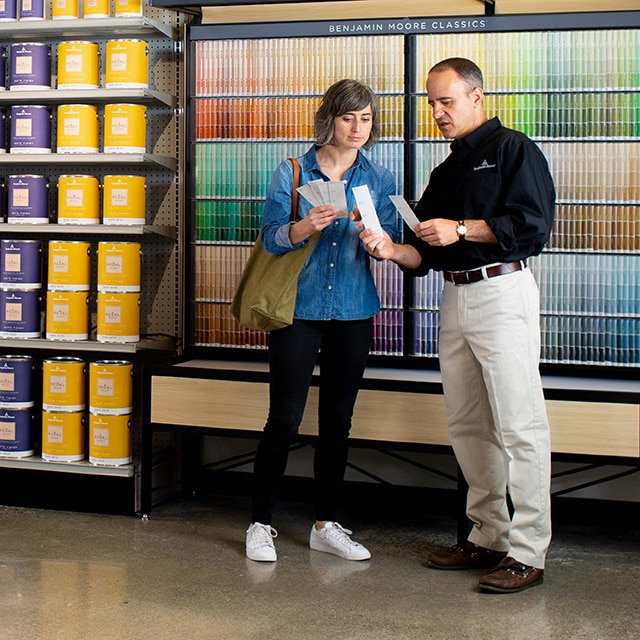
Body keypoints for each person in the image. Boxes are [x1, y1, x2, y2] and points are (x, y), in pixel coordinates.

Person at [359, 58, 555, 593]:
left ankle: (528, 551)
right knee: (468, 424)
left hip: (502, 291)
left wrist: (464, 227)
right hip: (456, 297)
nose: (438, 112)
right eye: (432, 103)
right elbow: (426, 252)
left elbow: (534, 227)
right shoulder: (445, 171)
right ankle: (487, 535)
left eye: (446, 101)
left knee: (520, 425)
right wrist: (390, 248)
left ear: (476, 97)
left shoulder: (516, 150)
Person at [245, 79, 400, 563]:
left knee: (337, 421)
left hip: (354, 310)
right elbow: (270, 239)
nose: (358, 128)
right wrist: (303, 227)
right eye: (349, 117)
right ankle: (260, 522)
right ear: (329, 118)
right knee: (284, 418)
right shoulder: (292, 171)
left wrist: (377, 241)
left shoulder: (379, 178)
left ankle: (325, 524)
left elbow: (391, 240)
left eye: (367, 119)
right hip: (299, 310)